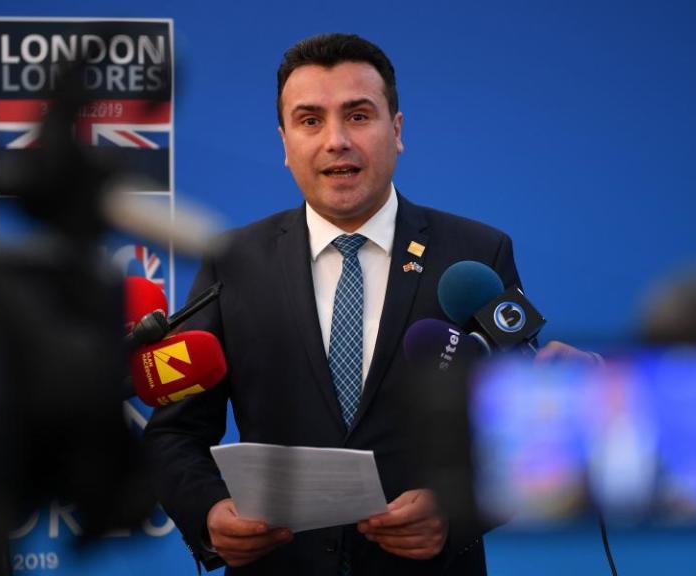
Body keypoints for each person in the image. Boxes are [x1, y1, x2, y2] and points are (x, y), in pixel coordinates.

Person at [144, 33, 589, 575]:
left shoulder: (474, 255)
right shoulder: (234, 261)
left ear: (396, 130)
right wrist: (210, 513)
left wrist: (455, 512)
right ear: (284, 142)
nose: (336, 140)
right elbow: (175, 432)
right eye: (310, 121)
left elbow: (523, 427)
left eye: (358, 116)